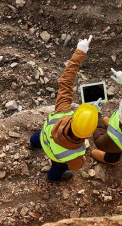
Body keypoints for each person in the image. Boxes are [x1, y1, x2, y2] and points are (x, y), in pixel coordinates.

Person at [29, 35, 98, 181]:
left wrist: (80, 52)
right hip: (56, 157)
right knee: (58, 170)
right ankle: (52, 178)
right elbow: (76, 166)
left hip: (45, 137)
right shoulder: (77, 152)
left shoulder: (62, 111)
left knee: (37, 137)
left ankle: (33, 143)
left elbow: (66, 80)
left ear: (74, 117)